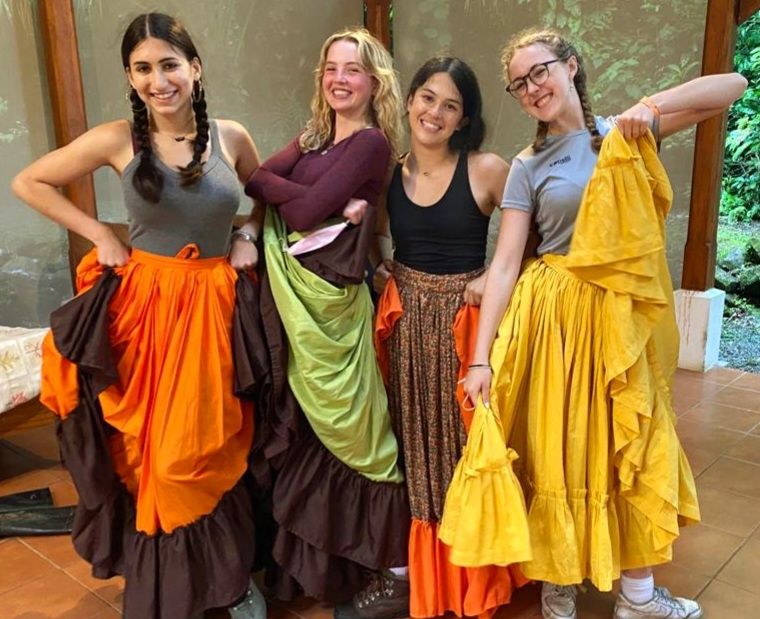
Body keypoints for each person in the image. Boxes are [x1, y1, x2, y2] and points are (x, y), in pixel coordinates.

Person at [444, 27, 748, 619]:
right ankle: (560, 582)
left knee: (633, 443)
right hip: (554, 319)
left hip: (619, 320)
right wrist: (480, 359)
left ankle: (636, 595)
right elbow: (505, 263)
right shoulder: (527, 166)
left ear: (570, 66)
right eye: (520, 83)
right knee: (558, 445)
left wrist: (650, 107)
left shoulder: (623, 133)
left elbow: (732, 86)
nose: (533, 87)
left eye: (541, 71)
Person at [12, 13, 265, 619]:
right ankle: (171, 587)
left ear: (195, 67)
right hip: (146, 313)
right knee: (158, 454)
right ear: (131, 76)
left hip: (214, 310)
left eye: (169, 64)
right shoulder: (117, 138)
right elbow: (30, 181)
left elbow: (265, 201)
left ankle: (229, 581)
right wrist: (99, 230)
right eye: (143, 69)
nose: (159, 80)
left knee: (208, 446)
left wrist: (249, 232)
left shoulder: (231, 135)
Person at [242, 27, 411, 615]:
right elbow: (254, 178)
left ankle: (395, 568)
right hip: (295, 304)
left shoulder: (370, 143)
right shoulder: (314, 136)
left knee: (360, 431)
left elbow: (299, 206)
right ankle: (322, 567)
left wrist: (315, 204)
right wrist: (327, 204)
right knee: (311, 431)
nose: (340, 78)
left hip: (333, 307)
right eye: (331, 68)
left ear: (373, 81)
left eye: (354, 69)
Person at [369, 56, 527, 619]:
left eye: (450, 105)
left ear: (464, 119)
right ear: (409, 100)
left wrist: (487, 276)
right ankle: (421, 577)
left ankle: (474, 574)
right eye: (427, 98)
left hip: (467, 328)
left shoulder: (489, 169)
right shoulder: (388, 170)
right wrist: (382, 267)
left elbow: (526, 246)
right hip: (407, 326)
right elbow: (375, 237)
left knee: (467, 448)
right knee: (414, 445)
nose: (435, 112)